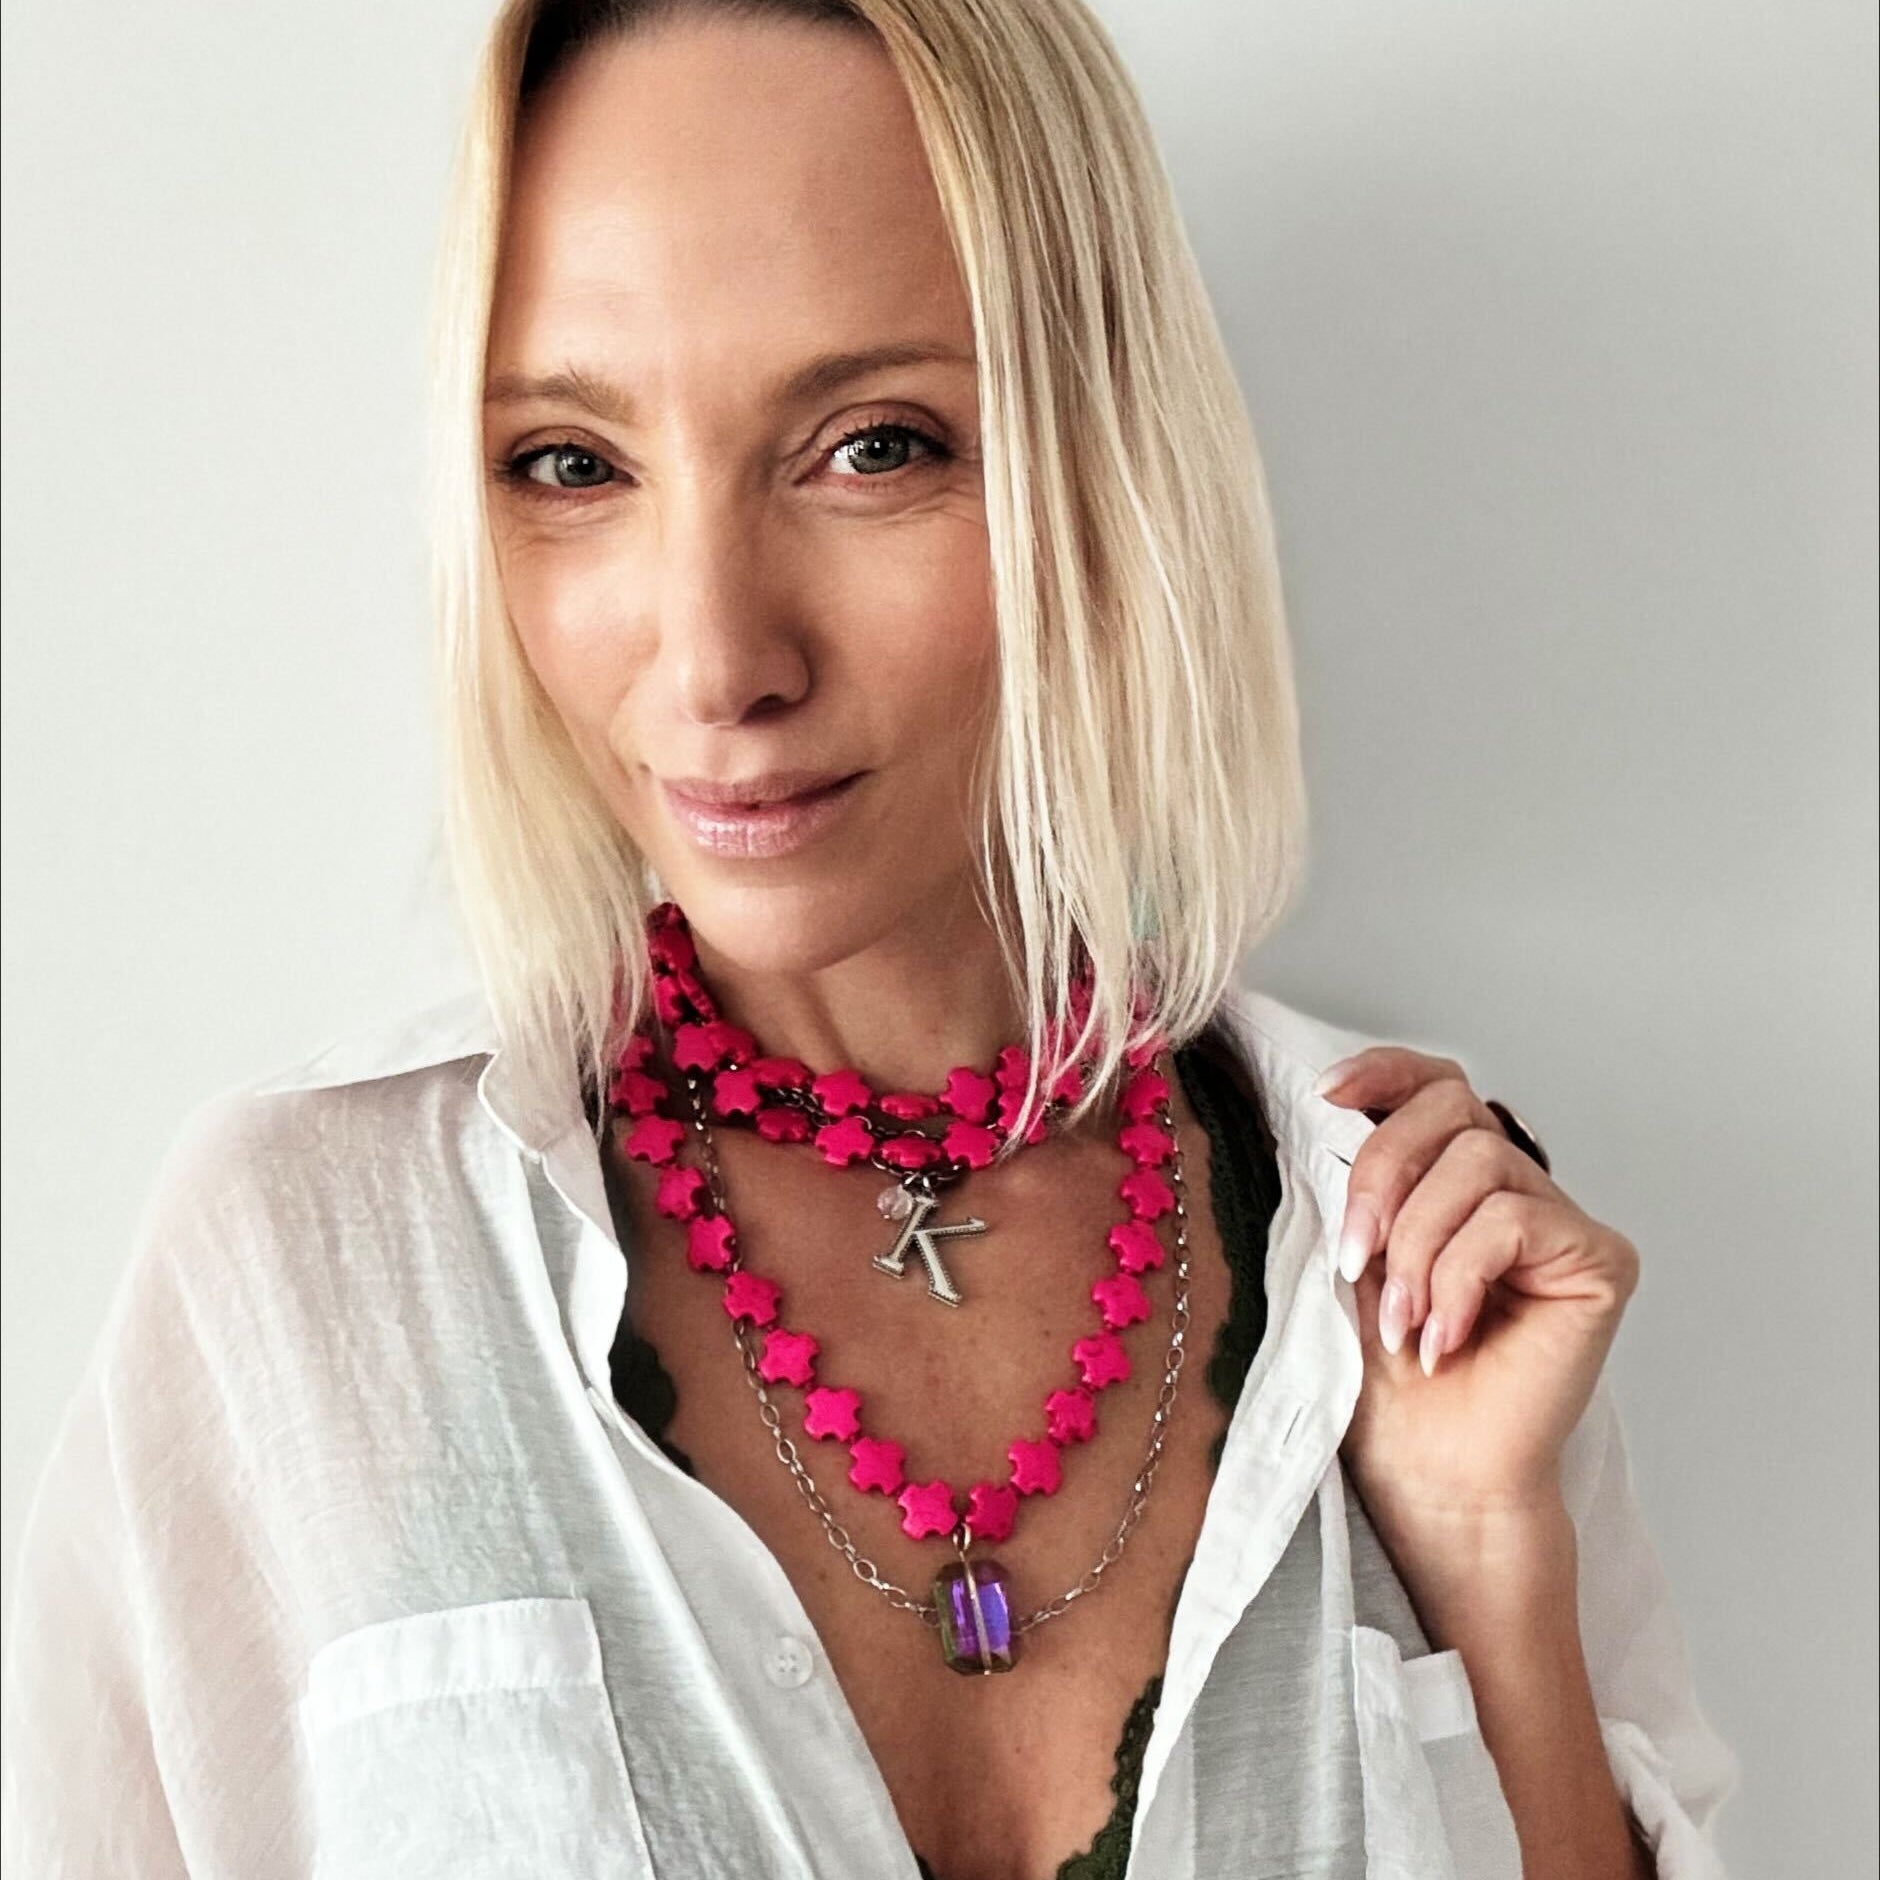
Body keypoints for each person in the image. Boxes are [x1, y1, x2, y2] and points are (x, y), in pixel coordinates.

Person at [1, 1, 1740, 1875]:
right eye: (573, 465)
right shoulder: (307, 1267)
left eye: (872, 445)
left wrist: (1487, 1558)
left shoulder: (1397, 1252)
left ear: (1102, 469)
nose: (719, 659)